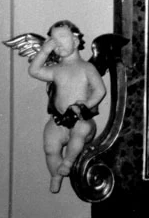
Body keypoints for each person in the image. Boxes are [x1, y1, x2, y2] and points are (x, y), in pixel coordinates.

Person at [28, 21, 106, 194]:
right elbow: (34, 71)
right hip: (59, 120)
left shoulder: (87, 68)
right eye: (53, 40)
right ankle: (56, 175)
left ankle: (68, 162)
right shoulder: (56, 69)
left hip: (81, 119)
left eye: (62, 37)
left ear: (76, 41)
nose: (57, 43)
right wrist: (44, 51)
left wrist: (83, 105)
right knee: (50, 147)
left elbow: (100, 91)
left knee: (81, 130)